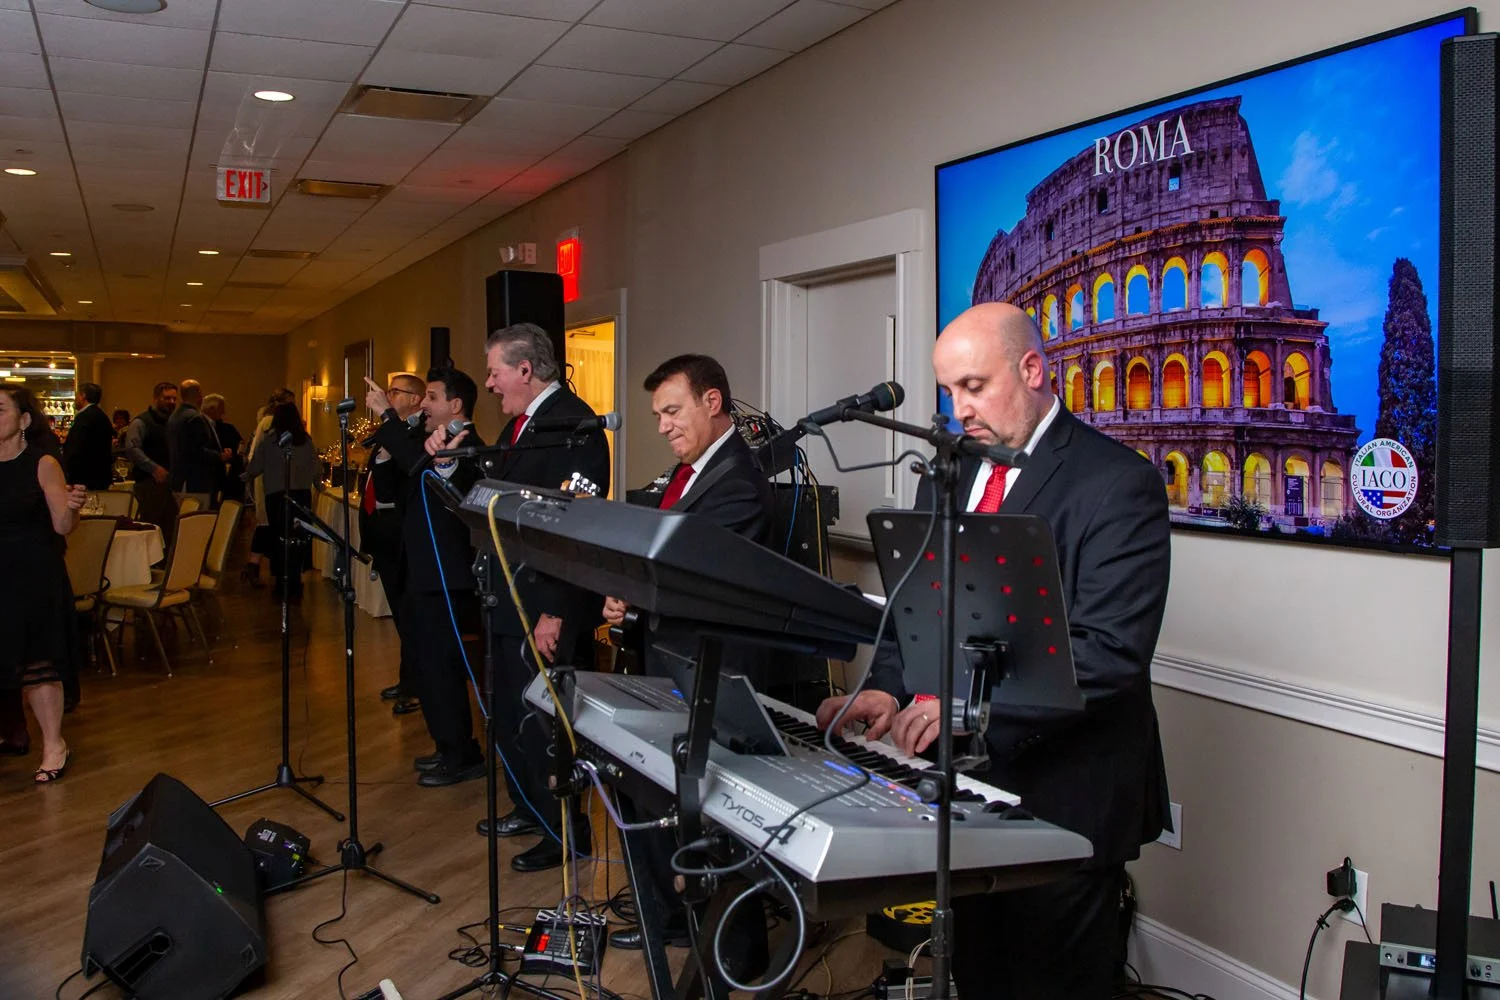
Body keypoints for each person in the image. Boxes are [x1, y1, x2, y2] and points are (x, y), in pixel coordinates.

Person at [814, 302, 1172, 1000]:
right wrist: (887, 686)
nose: (958, 411)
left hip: (1069, 795)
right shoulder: (946, 472)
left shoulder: (1117, 483)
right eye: (948, 392)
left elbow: (1109, 654)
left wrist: (963, 709)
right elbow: (918, 605)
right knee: (978, 974)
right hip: (967, 792)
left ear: (1033, 369)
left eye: (973, 387)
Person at [600, 355, 776, 960]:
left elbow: (698, 576)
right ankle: (673, 919)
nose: (663, 426)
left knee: (717, 820)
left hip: (708, 671)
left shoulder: (736, 481)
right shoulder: (690, 473)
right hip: (670, 660)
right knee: (657, 796)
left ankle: (737, 954)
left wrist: (638, 598)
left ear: (713, 403)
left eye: (672, 411)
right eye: (657, 415)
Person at [448, 322, 610, 872]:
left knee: (544, 725)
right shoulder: (522, 427)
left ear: (523, 369)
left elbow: (573, 530)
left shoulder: (574, 426)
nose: (488, 383)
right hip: (507, 600)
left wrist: (555, 611)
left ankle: (565, 831)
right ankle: (528, 807)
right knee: (508, 716)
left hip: (543, 607)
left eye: (494, 371)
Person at [366, 366, 487, 787]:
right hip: (420, 572)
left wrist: (388, 419)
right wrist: (384, 453)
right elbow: (394, 494)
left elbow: (426, 469)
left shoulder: (468, 447)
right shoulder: (427, 445)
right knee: (426, 667)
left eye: (431, 397)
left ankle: (462, 754)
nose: (423, 404)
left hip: (446, 577)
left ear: (456, 405)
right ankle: (447, 746)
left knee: (443, 669)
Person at [0, 385, 88, 783]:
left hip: (34, 576)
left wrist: (71, 510)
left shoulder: (42, 463)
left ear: (23, 420)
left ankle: (54, 745)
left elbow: (62, 526)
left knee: (38, 665)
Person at [357, 372, 425, 716]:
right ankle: (407, 678)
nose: (388, 395)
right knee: (401, 614)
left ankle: (416, 685)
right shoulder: (391, 432)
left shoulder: (416, 434)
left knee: (409, 615)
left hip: (400, 533)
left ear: (415, 398)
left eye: (395, 391)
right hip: (382, 533)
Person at [242, 402, 317, 601]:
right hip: (301, 495)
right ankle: (296, 580)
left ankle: (281, 582)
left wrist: (246, 475)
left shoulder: (270, 441)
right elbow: (316, 468)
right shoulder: (305, 440)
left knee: (280, 537)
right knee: (298, 538)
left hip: (276, 495)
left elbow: (256, 466)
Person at [243, 389, 294, 585]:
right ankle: (254, 565)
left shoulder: (266, 422)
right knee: (266, 522)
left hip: (269, 477)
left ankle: (255, 565)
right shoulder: (269, 423)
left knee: (267, 523)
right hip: (268, 479)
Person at [123, 381, 178, 539]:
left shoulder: (172, 422)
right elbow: (132, 449)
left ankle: (165, 563)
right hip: (148, 482)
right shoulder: (142, 422)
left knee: (169, 529)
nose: (172, 402)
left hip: (169, 484)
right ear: (156, 398)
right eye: (167, 398)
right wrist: (153, 468)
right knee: (151, 528)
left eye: (174, 399)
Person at [167, 378, 222, 509]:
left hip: (178, 480)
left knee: (184, 521)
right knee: (198, 523)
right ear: (198, 395)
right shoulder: (195, 418)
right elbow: (196, 451)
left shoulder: (174, 417)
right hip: (195, 481)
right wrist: (219, 456)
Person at [63, 382, 114, 489]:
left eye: (77, 395)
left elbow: (76, 448)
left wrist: (67, 472)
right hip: (100, 476)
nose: (75, 399)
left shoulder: (84, 418)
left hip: (85, 478)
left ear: (83, 396)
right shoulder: (101, 415)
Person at [203, 394, 244, 506]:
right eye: (221, 409)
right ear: (212, 409)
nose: (223, 412)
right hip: (210, 476)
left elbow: (240, 447)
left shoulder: (228, 429)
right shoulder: (202, 427)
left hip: (227, 477)